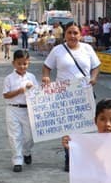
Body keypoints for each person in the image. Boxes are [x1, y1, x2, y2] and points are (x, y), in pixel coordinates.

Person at [42, 22, 101, 172]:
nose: (73, 36)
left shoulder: (87, 49)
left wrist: (94, 78)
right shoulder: (57, 50)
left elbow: (96, 66)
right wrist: (46, 78)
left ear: (80, 35)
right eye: (69, 33)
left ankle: (85, 157)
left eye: (75, 33)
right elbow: (47, 67)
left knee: (87, 127)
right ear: (65, 35)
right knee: (68, 129)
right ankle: (69, 158)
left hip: (85, 92)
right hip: (65, 95)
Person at [2, 49, 39, 172]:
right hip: (13, 109)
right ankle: (17, 160)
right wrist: (20, 90)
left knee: (29, 136)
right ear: (14, 63)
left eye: (25, 64)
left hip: (28, 110)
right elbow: (6, 95)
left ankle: (26, 151)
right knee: (15, 135)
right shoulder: (9, 78)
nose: (22, 66)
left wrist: (33, 89)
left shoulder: (31, 77)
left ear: (28, 63)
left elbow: (38, 94)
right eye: (19, 63)